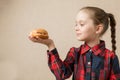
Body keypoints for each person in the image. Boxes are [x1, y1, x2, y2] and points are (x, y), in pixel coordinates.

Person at [29, 6, 120, 80]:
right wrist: (50, 45)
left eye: (81, 24)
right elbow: (61, 75)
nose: (76, 28)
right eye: (76, 24)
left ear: (98, 29)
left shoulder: (111, 57)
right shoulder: (74, 53)